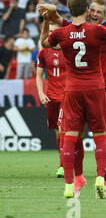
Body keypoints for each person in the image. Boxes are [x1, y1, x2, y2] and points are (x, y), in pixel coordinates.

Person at [39, 0, 106, 199]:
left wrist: (46, 20)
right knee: (101, 136)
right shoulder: (97, 31)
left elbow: (44, 43)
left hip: (72, 90)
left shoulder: (62, 32)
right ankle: (100, 178)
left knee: (70, 137)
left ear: (69, 9)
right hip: (96, 88)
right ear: (87, 11)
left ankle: (69, 183)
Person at [36, 23, 66, 178]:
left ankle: (63, 166)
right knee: (57, 130)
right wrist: (41, 93)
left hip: (67, 97)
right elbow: (39, 76)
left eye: (56, 32)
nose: (54, 35)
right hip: (51, 96)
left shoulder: (69, 50)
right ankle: (64, 161)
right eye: (51, 32)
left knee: (63, 129)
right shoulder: (43, 52)